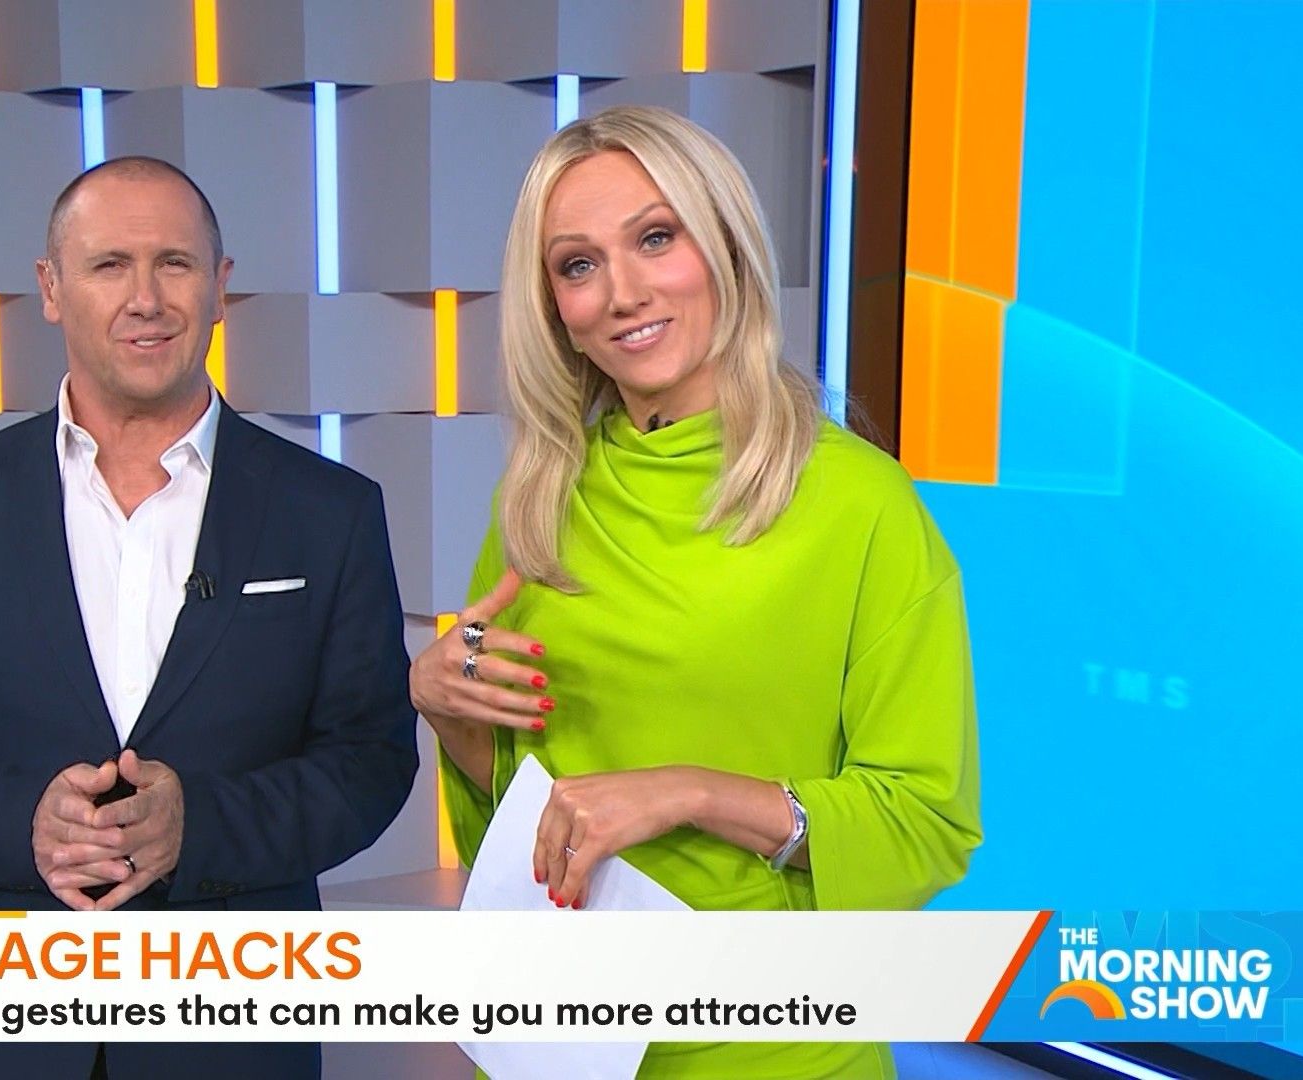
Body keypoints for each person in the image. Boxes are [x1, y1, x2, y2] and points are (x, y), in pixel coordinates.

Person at [412, 106, 982, 1079]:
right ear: (554, 308)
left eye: (655, 238)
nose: (623, 293)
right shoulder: (539, 496)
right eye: (578, 265)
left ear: (725, 247)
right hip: (559, 1043)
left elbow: (923, 825)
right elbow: (520, 818)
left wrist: (692, 792)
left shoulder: (859, 503)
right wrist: (447, 713)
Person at [0, 156, 419, 1080]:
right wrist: (22, 822)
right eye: (109, 265)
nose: (146, 298)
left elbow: (370, 761)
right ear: (51, 288)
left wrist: (197, 826)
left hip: (231, 1030)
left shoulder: (329, 510)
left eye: (175, 263)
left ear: (220, 287)